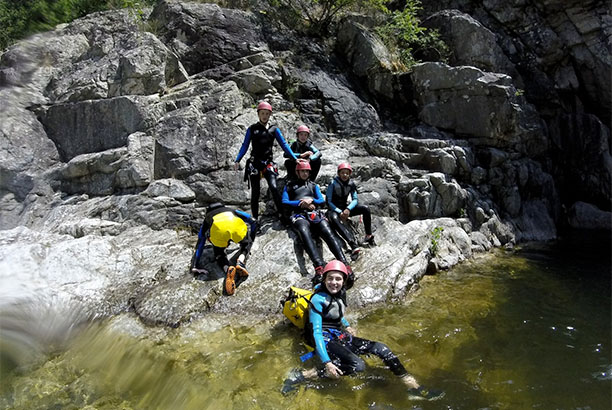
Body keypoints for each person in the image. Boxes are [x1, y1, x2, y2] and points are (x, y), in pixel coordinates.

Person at [281, 260, 444, 401]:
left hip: (338, 334)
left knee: (382, 348)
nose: (334, 282)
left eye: (338, 279)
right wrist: (327, 362)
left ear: (344, 281)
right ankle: (302, 375)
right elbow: (316, 333)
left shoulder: (340, 293)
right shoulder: (318, 299)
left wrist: (347, 324)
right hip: (323, 338)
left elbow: (336, 312)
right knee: (357, 366)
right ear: (324, 279)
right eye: (330, 278)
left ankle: (412, 387)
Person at [281, 161, 354, 287]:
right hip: (298, 214)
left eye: (307, 171)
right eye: (302, 171)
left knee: (327, 229)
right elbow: (284, 201)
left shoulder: (313, 186)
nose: (305, 173)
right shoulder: (290, 185)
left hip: (313, 213)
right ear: (297, 172)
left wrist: (311, 200)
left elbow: (321, 200)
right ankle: (319, 266)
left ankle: (344, 263)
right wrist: (299, 203)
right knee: (304, 231)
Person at [234, 101, 299, 220]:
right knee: (255, 193)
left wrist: (295, 159)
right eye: (262, 113)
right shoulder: (252, 129)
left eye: (267, 114)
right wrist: (237, 159)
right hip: (254, 163)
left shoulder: (274, 129)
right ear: (258, 114)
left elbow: (284, 145)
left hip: (268, 163)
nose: (264, 116)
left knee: (273, 187)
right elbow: (245, 145)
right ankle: (255, 219)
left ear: (270, 115)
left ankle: (282, 214)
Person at [190, 202, 257, 295]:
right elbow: (253, 221)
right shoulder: (231, 210)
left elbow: (201, 240)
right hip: (235, 227)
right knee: (246, 244)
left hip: (219, 233)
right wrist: (251, 239)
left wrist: (195, 266)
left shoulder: (208, 217)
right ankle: (240, 261)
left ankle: (227, 268)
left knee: (219, 254)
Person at [326, 162, 375, 261]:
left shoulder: (351, 184)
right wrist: (340, 212)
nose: (345, 175)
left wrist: (348, 209)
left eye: (347, 173)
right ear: (339, 173)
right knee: (334, 218)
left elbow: (355, 199)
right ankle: (352, 244)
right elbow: (328, 201)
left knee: (365, 209)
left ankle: (368, 235)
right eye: (342, 173)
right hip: (333, 209)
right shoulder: (333, 184)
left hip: (345, 208)